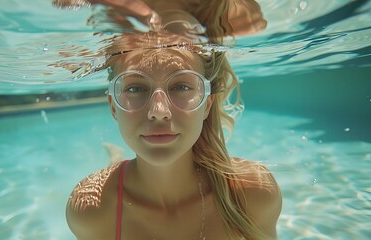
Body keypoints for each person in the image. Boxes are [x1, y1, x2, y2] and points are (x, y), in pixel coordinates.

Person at [58, 0, 282, 239]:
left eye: (182, 86)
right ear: (113, 106)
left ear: (206, 104)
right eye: (135, 89)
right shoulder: (91, 209)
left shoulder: (254, 194)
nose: (159, 110)